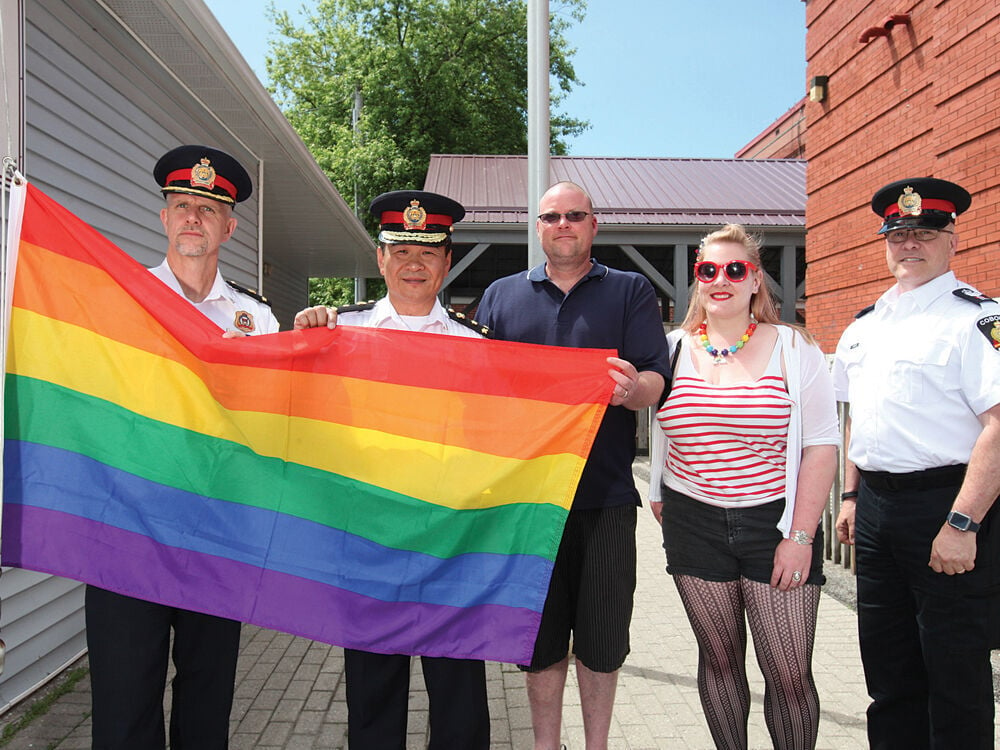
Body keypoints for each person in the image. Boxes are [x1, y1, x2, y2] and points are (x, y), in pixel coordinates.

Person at [86, 145, 280, 750]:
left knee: (207, 698)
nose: (192, 217)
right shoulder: (118, 300)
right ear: (164, 219)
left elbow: (275, 420)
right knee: (123, 700)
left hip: (215, 535)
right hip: (126, 531)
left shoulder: (258, 319)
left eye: (207, 207)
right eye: (181, 205)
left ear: (230, 225)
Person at [473, 181, 670, 750]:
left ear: (594, 225)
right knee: (540, 642)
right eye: (551, 216)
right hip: (528, 503)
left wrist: (632, 389)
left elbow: (657, 379)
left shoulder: (630, 290)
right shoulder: (501, 296)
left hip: (605, 496)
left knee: (604, 643)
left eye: (574, 215)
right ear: (537, 228)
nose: (563, 225)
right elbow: (477, 385)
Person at [294, 190, 490, 750]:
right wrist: (305, 338)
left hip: (451, 541)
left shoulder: (476, 346)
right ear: (379, 259)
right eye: (400, 249)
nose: (413, 263)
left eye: (428, 253)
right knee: (373, 698)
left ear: (447, 262)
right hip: (369, 540)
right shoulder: (337, 335)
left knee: (460, 701)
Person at [648, 224, 840, 750]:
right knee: (719, 663)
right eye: (708, 270)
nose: (721, 280)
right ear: (697, 280)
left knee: (789, 675)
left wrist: (799, 538)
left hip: (772, 522)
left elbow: (821, 445)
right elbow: (652, 423)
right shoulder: (670, 348)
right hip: (694, 524)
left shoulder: (794, 349)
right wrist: (660, 491)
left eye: (736, 269)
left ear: (756, 280)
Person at [833, 177, 1000, 749]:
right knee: (889, 670)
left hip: (946, 504)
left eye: (924, 233)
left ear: (953, 239)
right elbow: (861, 418)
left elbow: (998, 429)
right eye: (899, 234)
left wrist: (963, 524)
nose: (909, 245)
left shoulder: (978, 320)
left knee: (955, 675)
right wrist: (852, 496)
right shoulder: (866, 325)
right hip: (877, 509)